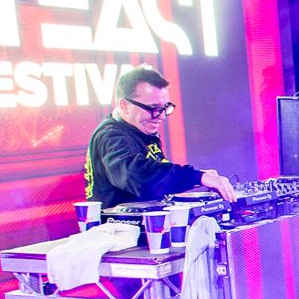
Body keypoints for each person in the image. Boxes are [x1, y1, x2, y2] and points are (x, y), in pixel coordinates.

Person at [85, 66, 237, 206]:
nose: (161, 116)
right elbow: (139, 177)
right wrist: (196, 177)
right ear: (124, 106)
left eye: (165, 108)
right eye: (153, 108)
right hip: (119, 227)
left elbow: (158, 175)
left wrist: (198, 178)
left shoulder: (140, 130)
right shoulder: (111, 136)